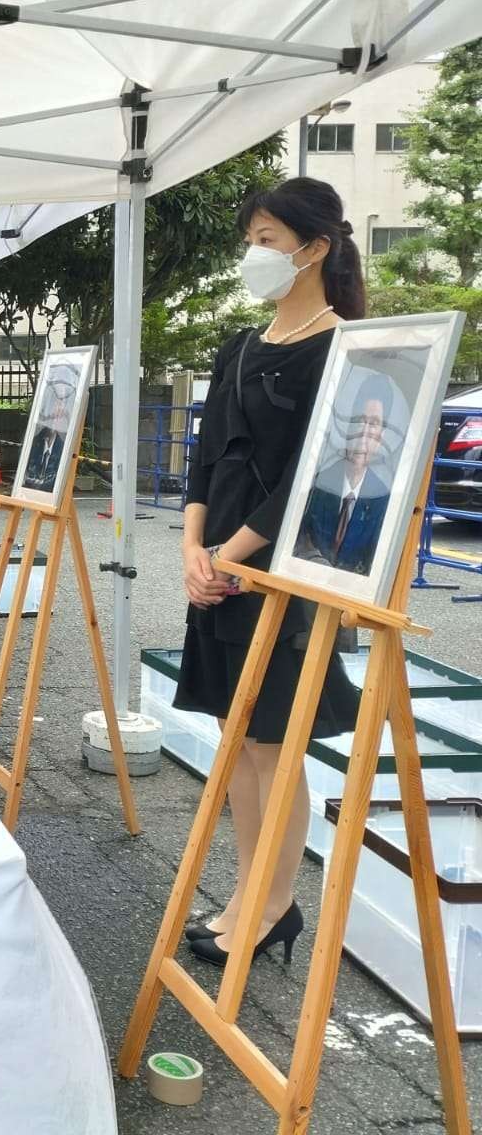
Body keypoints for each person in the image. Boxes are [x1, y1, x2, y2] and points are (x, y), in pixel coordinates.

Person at [177, 176, 363, 967]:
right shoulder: (239, 348)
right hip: (216, 570)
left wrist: (229, 555)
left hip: (280, 576)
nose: (254, 255)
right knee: (235, 737)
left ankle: (274, 902)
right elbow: (205, 458)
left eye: (268, 240)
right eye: (250, 240)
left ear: (314, 249)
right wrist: (192, 550)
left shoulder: (346, 350)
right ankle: (252, 891)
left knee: (272, 748)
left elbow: (315, 480)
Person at [297, 374, 394, 576]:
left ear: (382, 435)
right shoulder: (318, 484)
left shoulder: (384, 498)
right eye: (359, 420)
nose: (363, 433)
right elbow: (298, 541)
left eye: (374, 424)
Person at [22, 373, 75, 493]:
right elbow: (26, 478)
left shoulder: (65, 447)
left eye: (63, 404)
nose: (58, 411)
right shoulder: (34, 443)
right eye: (55, 403)